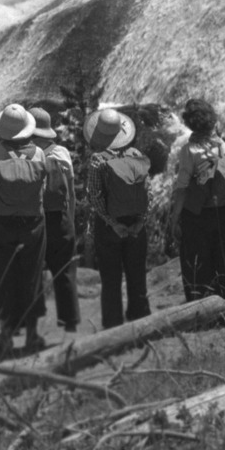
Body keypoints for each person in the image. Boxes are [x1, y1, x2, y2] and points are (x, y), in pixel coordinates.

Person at [0, 104, 48, 357]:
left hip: (2, 221)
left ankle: (6, 336)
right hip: (33, 222)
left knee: (2, 274)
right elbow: (45, 185)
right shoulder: (40, 154)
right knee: (32, 275)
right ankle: (32, 335)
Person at [85, 106, 152, 329]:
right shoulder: (137, 156)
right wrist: (141, 222)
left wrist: (113, 224)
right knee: (137, 277)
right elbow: (147, 193)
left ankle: (113, 326)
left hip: (109, 228)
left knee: (111, 280)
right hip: (137, 224)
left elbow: (94, 197)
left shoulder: (97, 160)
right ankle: (140, 320)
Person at [164, 96, 225, 303]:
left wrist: (175, 218)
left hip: (195, 213)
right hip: (220, 211)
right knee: (218, 259)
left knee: (196, 260)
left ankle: (201, 308)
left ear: (189, 122)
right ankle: (222, 305)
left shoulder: (189, 150)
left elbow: (182, 187)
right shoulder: (222, 146)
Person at [30, 107, 81, 334]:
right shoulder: (61, 152)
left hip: (35, 218)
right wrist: (70, 219)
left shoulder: (27, 155)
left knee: (32, 272)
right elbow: (70, 191)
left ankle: (32, 324)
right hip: (59, 217)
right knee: (65, 270)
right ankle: (70, 320)